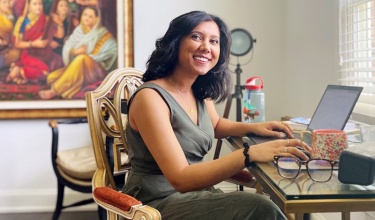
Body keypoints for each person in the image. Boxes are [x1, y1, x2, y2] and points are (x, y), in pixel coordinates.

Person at [123, 11, 311, 220]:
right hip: (155, 203)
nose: (206, 47)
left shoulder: (198, 91)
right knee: (260, 207)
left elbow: (216, 124)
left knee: (275, 204)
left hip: (194, 194)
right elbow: (180, 178)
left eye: (214, 41)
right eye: (196, 37)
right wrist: (249, 154)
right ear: (175, 43)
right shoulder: (151, 98)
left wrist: (255, 127)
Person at [38, 5, 117, 99]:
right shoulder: (79, 31)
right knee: (51, 78)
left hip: (96, 70)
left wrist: (91, 57)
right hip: (79, 66)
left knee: (82, 58)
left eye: (90, 16)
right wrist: (75, 51)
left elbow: (114, 48)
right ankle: (72, 84)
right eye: (85, 15)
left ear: (96, 19)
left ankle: (54, 91)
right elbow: (68, 46)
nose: (86, 18)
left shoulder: (102, 33)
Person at [5, 0, 63, 84]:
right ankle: (20, 71)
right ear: (28, 6)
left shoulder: (46, 19)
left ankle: (20, 69)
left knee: (58, 64)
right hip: (29, 53)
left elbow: (59, 35)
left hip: (44, 53)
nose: (38, 7)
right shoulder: (23, 21)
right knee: (45, 73)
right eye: (35, 4)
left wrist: (60, 24)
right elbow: (17, 43)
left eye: (40, 4)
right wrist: (34, 44)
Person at [0, 0, 20, 69]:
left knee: (18, 53)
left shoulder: (9, 14)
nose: (7, 4)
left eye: (8, 2)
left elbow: (14, 28)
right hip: (2, 46)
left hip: (9, 44)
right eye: (4, 2)